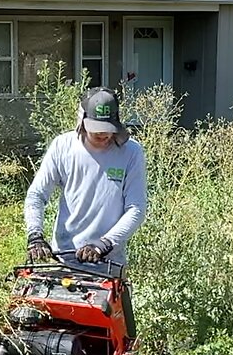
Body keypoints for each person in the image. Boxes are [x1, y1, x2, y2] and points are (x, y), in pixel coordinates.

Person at [24, 87, 148, 269]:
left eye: (107, 129)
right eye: (96, 130)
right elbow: (37, 195)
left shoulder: (130, 152)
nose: (103, 135)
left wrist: (104, 244)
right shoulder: (63, 147)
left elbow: (136, 208)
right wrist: (35, 235)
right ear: (82, 120)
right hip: (65, 258)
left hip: (108, 262)